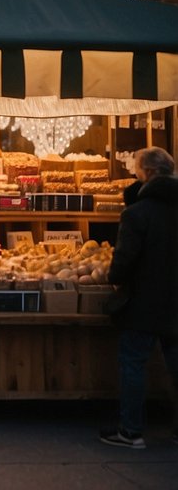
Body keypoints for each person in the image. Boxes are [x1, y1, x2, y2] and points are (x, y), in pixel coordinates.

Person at [99, 147, 178, 449]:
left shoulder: (137, 213)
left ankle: (131, 431)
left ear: (150, 172)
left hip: (145, 301)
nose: (134, 173)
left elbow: (124, 261)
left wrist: (114, 280)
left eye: (137, 170)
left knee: (133, 363)